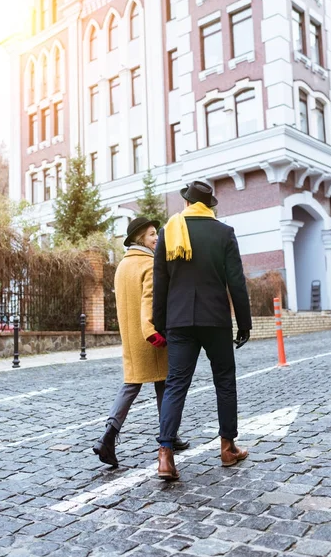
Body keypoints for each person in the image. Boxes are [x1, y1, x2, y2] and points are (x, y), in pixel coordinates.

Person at [153, 181, 252, 480]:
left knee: (176, 385)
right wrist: (244, 323)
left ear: (187, 203)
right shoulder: (224, 233)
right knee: (224, 382)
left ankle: (166, 456)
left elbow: (161, 283)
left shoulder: (168, 232)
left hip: (179, 320)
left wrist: (160, 324)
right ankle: (227, 448)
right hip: (215, 319)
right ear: (210, 205)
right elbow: (236, 282)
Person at [93, 217, 189, 467]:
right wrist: (152, 331)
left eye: (155, 233)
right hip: (151, 337)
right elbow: (149, 300)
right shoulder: (149, 264)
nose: (156, 238)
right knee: (164, 385)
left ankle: (110, 435)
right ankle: (163, 435)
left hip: (131, 338)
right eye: (150, 235)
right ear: (139, 240)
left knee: (136, 385)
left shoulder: (123, 266)